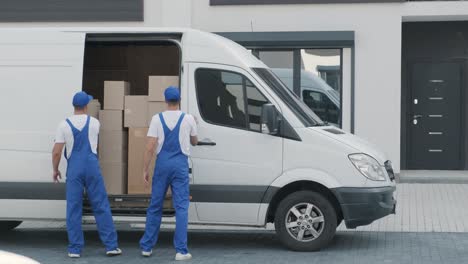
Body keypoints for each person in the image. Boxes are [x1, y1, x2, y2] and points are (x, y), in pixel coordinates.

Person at [51, 91, 121, 258]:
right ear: (86, 106)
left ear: (74, 106)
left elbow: (56, 152)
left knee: (74, 208)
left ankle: (75, 249)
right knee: (101, 205)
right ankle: (111, 246)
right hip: (91, 167)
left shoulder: (63, 125)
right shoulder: (95, 123)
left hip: (74, 169)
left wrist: (55, 169)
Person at [140, 86, 198, 261]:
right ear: (179, 100)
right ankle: (181, 251)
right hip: (180, 165)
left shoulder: (157, 119)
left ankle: (147, 247)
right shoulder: (188, 119)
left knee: (155, 205)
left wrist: (145, 169)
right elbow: (194, 142)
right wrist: (194, 126)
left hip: (162, 165)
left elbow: (150, 147)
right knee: (181, 207)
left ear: (165, 101)